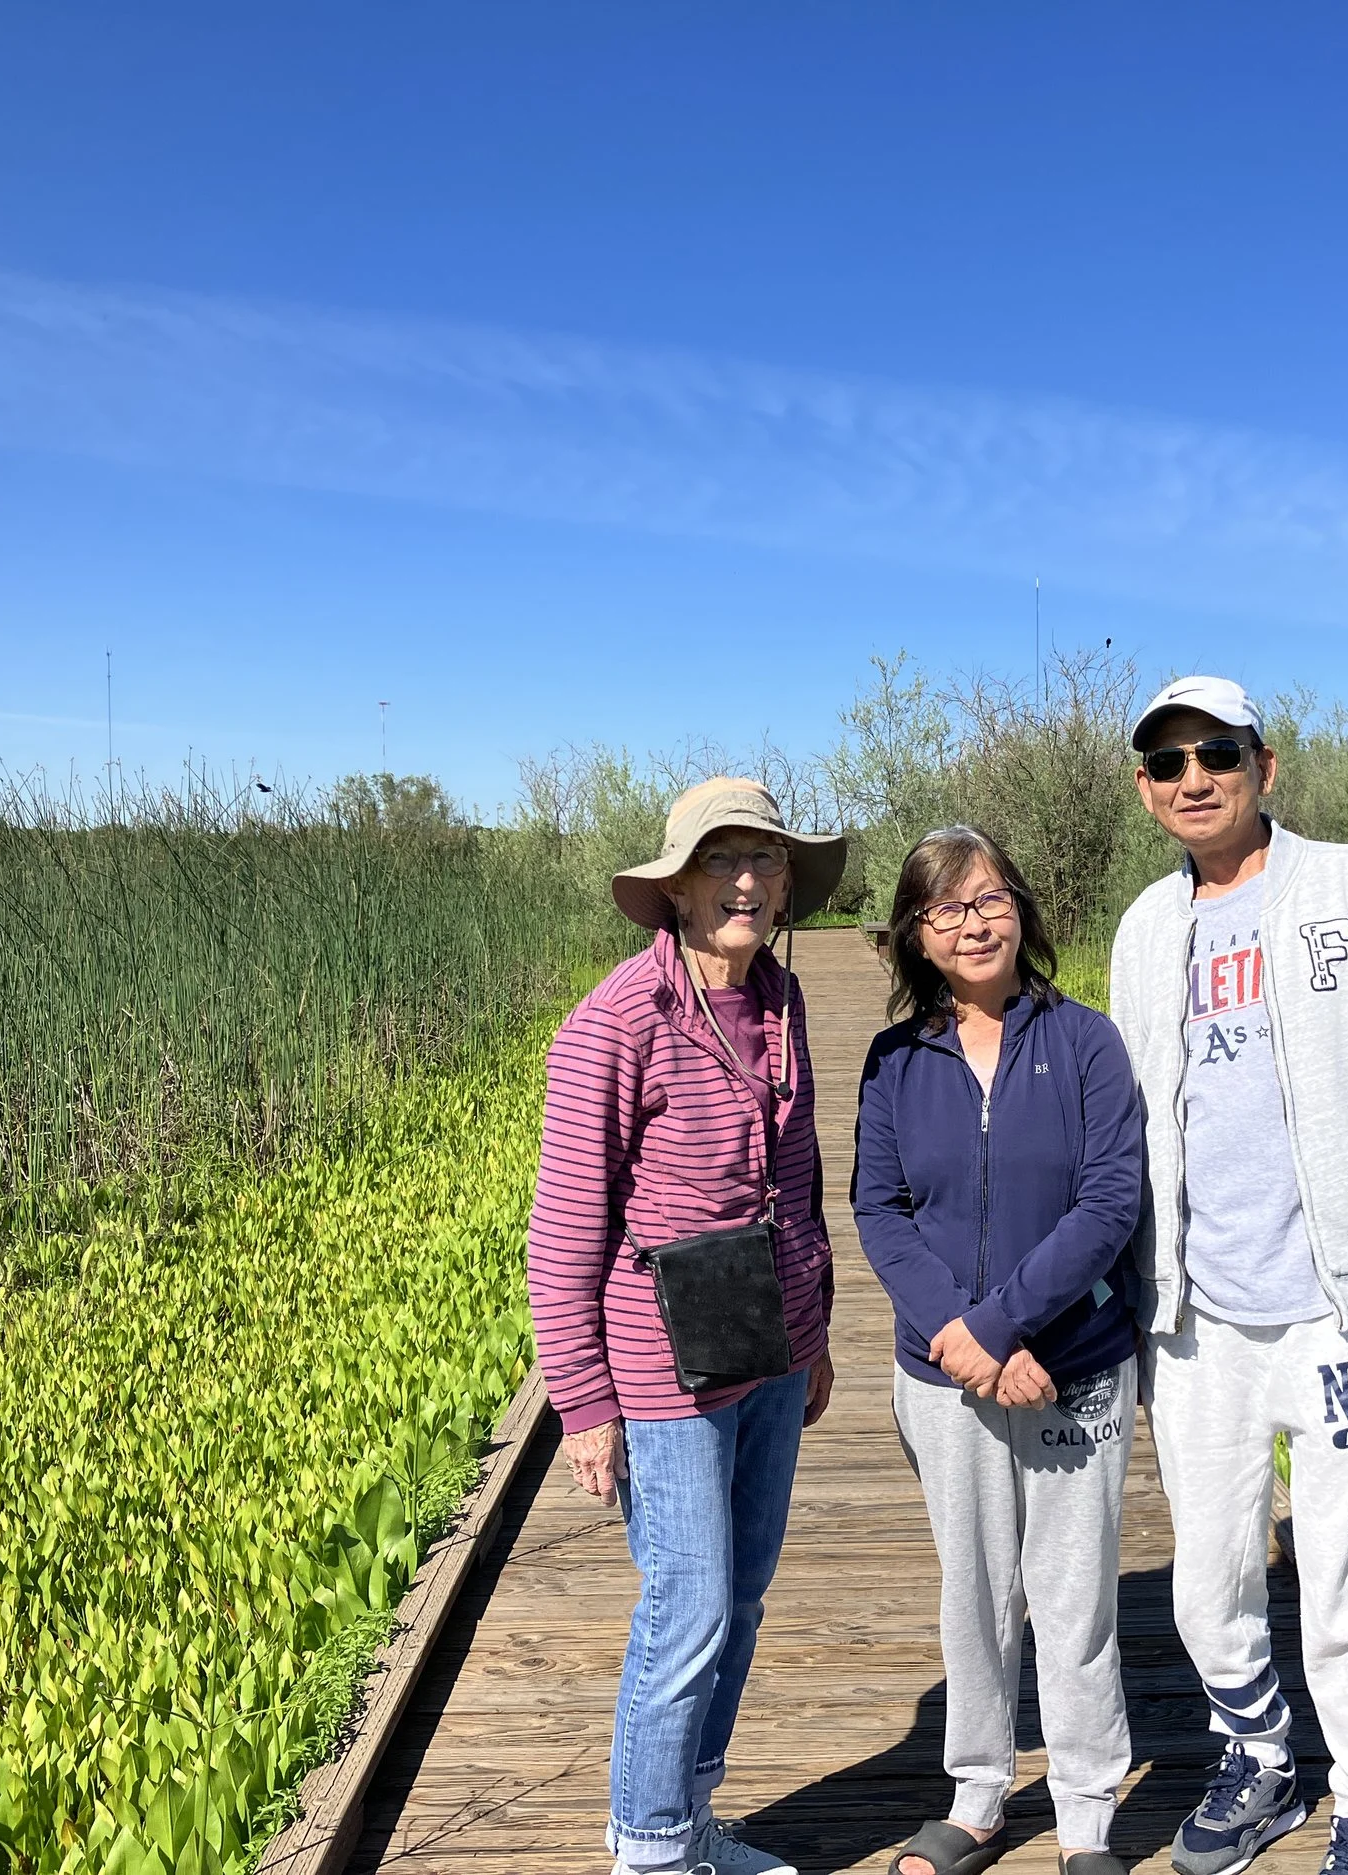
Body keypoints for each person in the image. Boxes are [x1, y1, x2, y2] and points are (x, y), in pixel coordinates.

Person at [1108, 679, 1348, 1875]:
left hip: (1338, 1308)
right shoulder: (1145, 930)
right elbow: (1130, 1128)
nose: (1192, 777)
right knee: (1206, 1575)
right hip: (1194, 1317)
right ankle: (1256, 1753)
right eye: (1166, 761)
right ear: (1145, 786)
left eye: (1216, 753)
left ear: (1267, 766)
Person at [529, 776, 847, 1875]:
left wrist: (813, 1335)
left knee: (745, 1599)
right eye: (723, 860)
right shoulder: (615, 1022)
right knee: (689, 1606)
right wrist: (583, 1405)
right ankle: (650, 1848)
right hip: (664, 1365)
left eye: (764, 859)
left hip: (769, 1346)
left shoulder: (783, 1000)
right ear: (676, 887)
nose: (748, 881)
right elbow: (566, 1231)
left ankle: (693, 1815)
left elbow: (797, 1181)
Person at [852, 826, 1147, 1875]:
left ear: (1022, 911)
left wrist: (1004, 1325)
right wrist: (961, 1338)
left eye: (989, 900)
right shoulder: (894, 1063)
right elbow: (879, 1212)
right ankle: (976, 1795)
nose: (971, 923)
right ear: (916, 938)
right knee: (972, 1587)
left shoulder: (1087, 1044)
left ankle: (1084, 1818)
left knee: (1073, 1593)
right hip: (943, 1375)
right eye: (945, 908)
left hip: (1075, 1358)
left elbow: (1111, 1199)